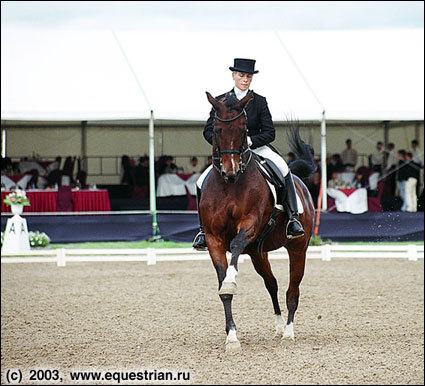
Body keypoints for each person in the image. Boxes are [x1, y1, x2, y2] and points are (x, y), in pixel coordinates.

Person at [192, 58, 304, 250]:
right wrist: (225, 144)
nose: (245, 79)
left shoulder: (259, 101)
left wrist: (250, 141)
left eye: (249, 76)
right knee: (201, 180)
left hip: (256, 148)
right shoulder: (220, 101)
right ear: (234, 75)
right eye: (242, 75)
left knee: (283, 168)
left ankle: (293, 219)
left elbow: (270, 132)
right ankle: (203, 231)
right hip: (229, 152)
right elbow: (208, 130)